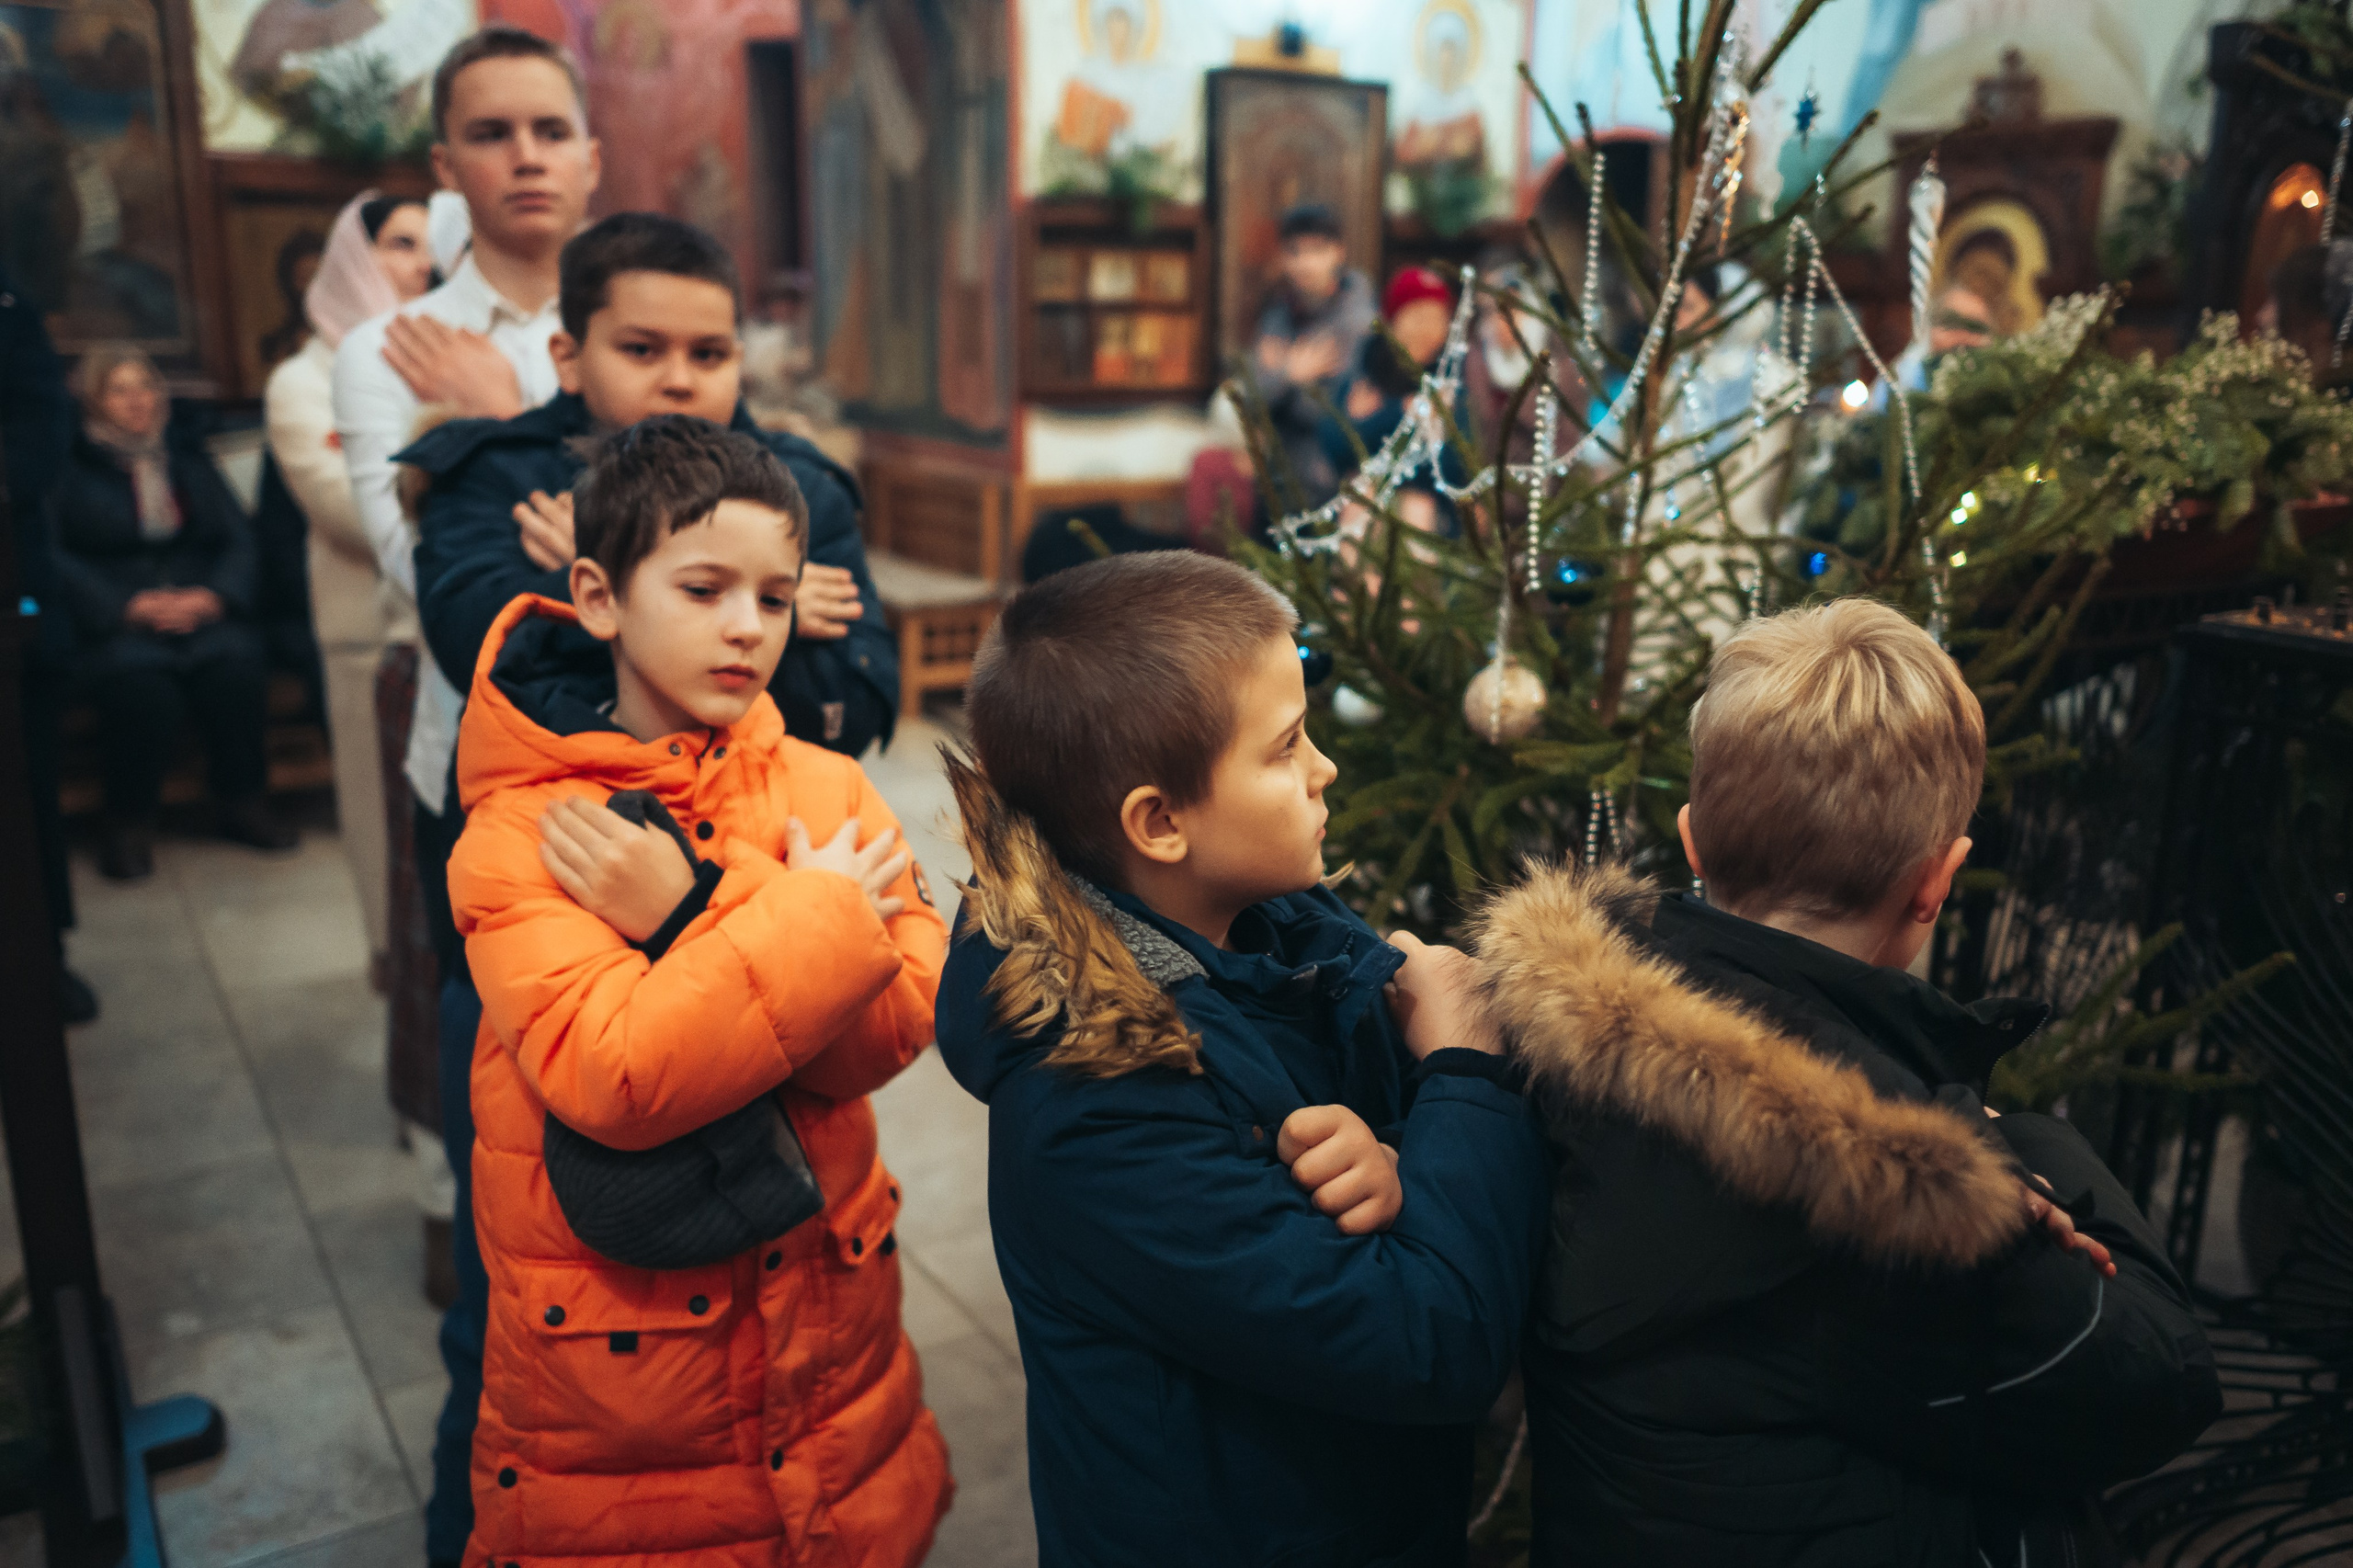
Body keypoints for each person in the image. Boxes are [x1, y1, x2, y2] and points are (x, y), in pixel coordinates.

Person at [1474, 597, 2222, 1566]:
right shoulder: (1901, 1188)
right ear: (1935, 882)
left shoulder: (1549, 1050)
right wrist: (2021, 1139)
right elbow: (2160, 1381)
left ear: (1693, 841)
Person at [935, 551, 1550, 1566]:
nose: (1325, 770)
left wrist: (1399, 1152)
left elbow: (1362, 1209)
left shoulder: (1273, 926)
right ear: (1160, 822)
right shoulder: (1098, 1094)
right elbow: (1426, 1341)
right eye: (1287, 746)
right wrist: (1465, 1071)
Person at [446, 416, 950, 1566]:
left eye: (775, 598)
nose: (745, 627)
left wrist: (689, 910)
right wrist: (814, 912)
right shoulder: (530, 824)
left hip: (827, 1314)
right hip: (628, 1368)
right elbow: (619, 1071)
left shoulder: (826, 781)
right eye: (705, 586)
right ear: (600, 594)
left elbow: (896, 1019)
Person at [327, 27, 599, 1565]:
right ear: (444, 167)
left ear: (592, 152)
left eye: (551, 127)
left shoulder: (643, 315)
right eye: (489, 133)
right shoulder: (387, 352)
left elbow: (713, 543)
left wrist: (495, 423)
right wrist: (544, 442)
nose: (526, 156)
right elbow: (436, 567)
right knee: (514, 1122)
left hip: (669, 775)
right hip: (484, 776)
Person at [400, 211, 898, 760]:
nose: (680, 381)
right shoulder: (497, 474)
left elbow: (852, 710)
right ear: (569, 360)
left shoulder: (802, 485)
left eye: (708, 354)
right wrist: (755, 608)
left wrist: (612, 595)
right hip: (553, 822)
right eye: (641, 350)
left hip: (761, 827)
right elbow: (479, 660)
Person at [267, 191, 434, 988]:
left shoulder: (442, 353)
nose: (420, 264)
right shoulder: (303, 381)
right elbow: (347, 510)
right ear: (354, 258)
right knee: (379, 828)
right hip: (366, 632)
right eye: (400, 245)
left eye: (427, 248)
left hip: (447, 623)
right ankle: (392, 977)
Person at [49, 347, 296, 879]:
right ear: (93, 401)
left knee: (235, 670)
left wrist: (215, 597)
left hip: (199, 609)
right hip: (119, 619)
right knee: (143, 689)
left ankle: (242, 803)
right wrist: (126, 606)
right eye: (120, 390)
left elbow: (238, 538)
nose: (140, 401)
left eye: (148, 387)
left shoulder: (185, 457)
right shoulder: (68, 466)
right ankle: (128, 824)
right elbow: (54, 556)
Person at [3, 268, 97, 1021]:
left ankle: (42, 957)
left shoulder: (10, 305)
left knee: (25, 796)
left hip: (13, 594)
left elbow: (36, 438)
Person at [1321, 265, 1470, 533]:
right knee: (1361, 503)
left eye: (1438, 319)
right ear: (1392, 320)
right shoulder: (1367, 366)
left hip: (1434, 510)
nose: (1428, 330)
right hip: (1363, 498)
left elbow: (1455, 464)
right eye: (1417, 317)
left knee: (1416, 510)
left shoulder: (1452, 375)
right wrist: (1401, 413)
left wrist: (1374, 419)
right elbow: (1334, 444)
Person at [1252, 202, 1376, 506]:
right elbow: (1252, 394)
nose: (1305, 263)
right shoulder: (1279, 314)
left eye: (1317, 251)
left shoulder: (1358, 320)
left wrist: (1279, 378)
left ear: (1338, 252)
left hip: (1337, 478)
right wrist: (1291, 373)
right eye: (1295, 252)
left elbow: (1333, 410)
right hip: (1281, 470)